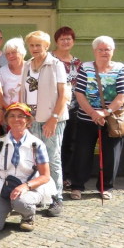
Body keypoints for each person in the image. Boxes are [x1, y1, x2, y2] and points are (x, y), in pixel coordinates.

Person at [70, 36, 124, 201]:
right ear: (94, 51)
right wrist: (93, 113)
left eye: (107, 49)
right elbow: (79, 92)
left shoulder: (119, 68)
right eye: (101, 49)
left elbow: (123, 94)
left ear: (113, 51)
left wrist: (105, 112)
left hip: (111, 119)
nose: (104, 52)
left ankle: (106, 186)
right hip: (86, 118)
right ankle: (77, 186)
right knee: (82, 153)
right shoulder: (86, 67)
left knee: (111, 154)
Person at [0, 103, 54, 233]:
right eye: (12, 116)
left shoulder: (37, 144)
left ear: (28, 120)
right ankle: (6, 208)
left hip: (28, 190)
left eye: (21, 116)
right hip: (3, 189)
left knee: (20, 201)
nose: (16, 119)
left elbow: (45, 176)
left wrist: (25, 186)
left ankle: (28, 216)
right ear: (7, 119)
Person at [19, 30, 68, 217]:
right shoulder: (27, 65)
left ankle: (57, 198)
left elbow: (63, 94)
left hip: (51, 119)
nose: (34, 48)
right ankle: (41, 194)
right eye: (31, 45)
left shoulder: (56, 64)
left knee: (52, 158)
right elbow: (23, 92)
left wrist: (53, 118)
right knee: (35, 159)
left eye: (38, 45)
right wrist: (25, 117)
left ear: (46, 46)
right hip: (32, 120)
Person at [52, 26, 82, 190]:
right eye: (62, 38)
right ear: (56, 41)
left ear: (73, 41)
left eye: (68, 38)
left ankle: (66, 176)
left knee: (70, 143)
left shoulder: (77, 63)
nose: (65, 41)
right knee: (54, 143)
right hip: (53, 110)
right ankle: (52, 176)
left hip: (73, 109)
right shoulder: (49, 58)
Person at [0, 37, 27, 108]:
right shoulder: (2, 71)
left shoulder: (31, 68)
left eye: (13, 52)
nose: (10, 56)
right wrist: (10, 110)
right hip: (9, 112)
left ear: (22, 52)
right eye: (7, 54)